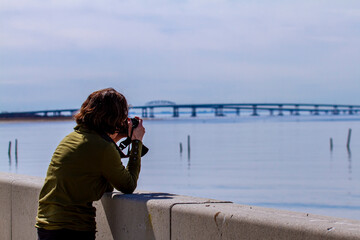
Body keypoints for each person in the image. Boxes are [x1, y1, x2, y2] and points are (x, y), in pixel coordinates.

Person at [35, 88, 146, 240]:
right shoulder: (103, 148)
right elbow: (128, 185)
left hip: (47, 224)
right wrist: (136, 142)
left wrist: (113, 139)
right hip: (72, 229)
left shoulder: (73, 138)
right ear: (115, 117)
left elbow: (106, 183)